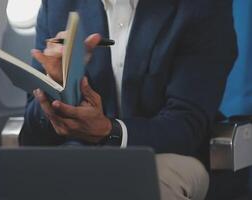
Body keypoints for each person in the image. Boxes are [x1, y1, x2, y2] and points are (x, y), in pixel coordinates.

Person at [19, 0, 237, 199]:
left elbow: (186, 126)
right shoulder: (57, 5)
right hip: (81, 153)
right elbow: (31, 135)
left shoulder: (202, 7)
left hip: (167, 155)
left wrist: (109, 130)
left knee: (138, 187)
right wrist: (56, 87)